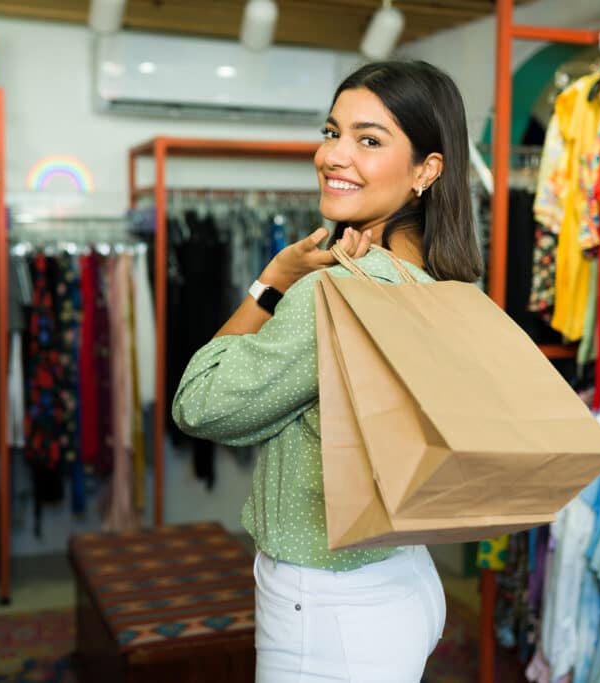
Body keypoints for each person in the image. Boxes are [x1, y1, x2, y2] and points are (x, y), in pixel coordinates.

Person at [172, 60, 484, 682]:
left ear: (427, 169)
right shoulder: (442, 286)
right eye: (331, 132)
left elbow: (198, 403)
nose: (335, 154)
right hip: (405, 578)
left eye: (370, 140)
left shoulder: (335, 295)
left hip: (329, 605)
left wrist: (272, 283)